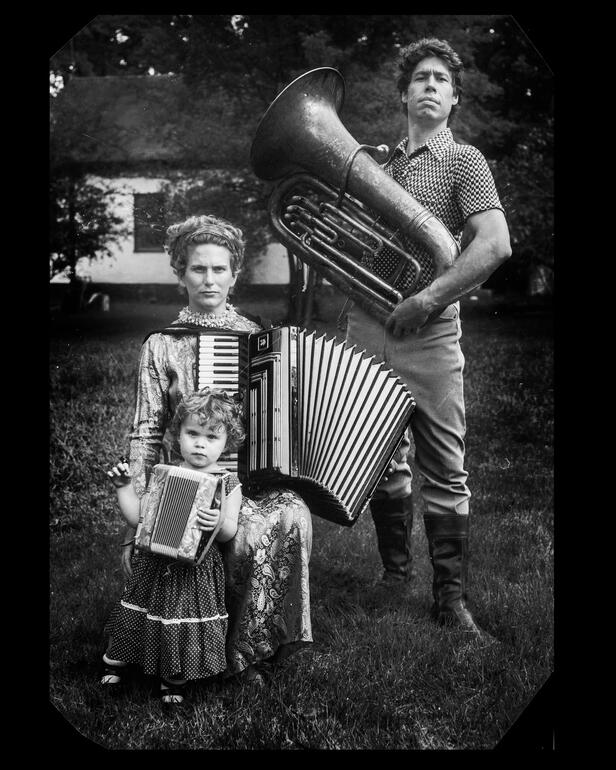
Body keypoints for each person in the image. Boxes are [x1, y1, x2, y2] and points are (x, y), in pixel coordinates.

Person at [345, 38, 512, 635]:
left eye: (442, 78)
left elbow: (494, 245)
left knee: (445, 463)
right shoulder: (374, 165)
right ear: (406, 93)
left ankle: (450, 598)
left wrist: (427, 299)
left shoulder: (465, 160)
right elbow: (349, 242)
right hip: (367, 320)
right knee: (378, 458)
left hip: (430, 326)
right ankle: (395, 574)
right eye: (420, 77)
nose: (431, 85)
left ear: (455, 97)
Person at [119, 214, 313, 685]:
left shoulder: (258, 340)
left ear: (234, 274)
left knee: (291, 512)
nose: (209, 280)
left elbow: (276, 424)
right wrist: (137, 513)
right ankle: (196, 648)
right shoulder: (162, 345)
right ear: (181, 274)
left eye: (219, 270)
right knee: (222, 534)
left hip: (240, 482)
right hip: (181, 486)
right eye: (198, 269)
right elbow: (146, 431)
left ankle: (249, 650)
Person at [102, 389, 243, 705]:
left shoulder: (227, 483)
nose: (200, 443)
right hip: (154, 563)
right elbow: (139, 517)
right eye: (192, 433)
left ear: (227, 443)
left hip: (195, 571)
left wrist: (216, 522)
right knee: (139, 610)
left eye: (211, 437)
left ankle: (172, 677)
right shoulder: (163, 473)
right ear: (178, 435)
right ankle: (118, 660)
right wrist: (124, 487)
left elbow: (230, 529)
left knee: (180, 620)